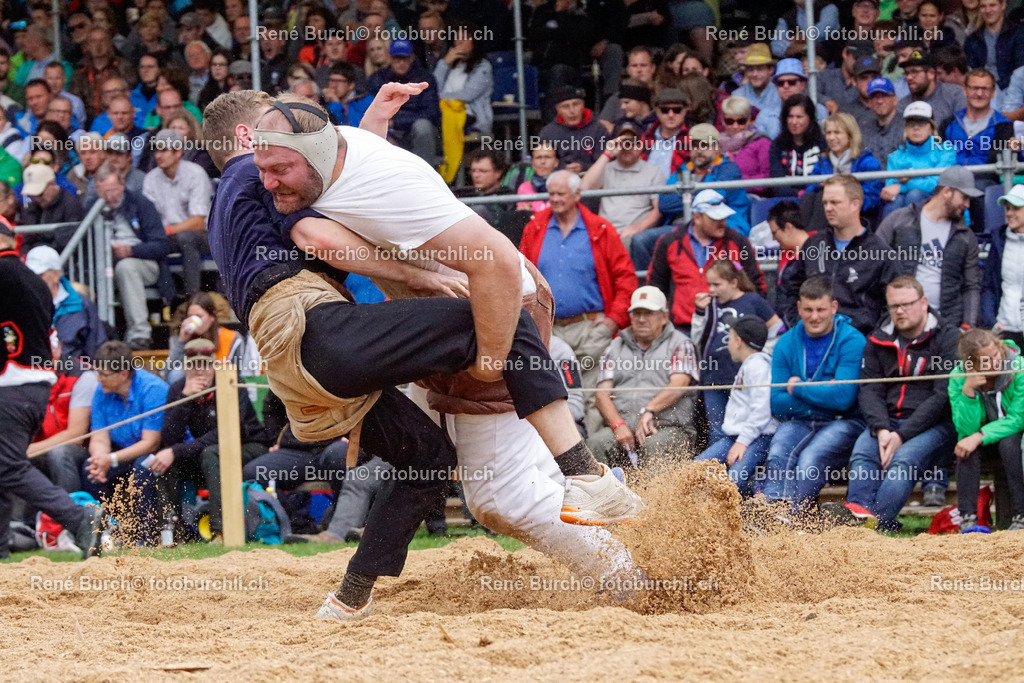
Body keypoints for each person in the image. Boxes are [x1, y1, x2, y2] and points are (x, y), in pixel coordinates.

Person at [204, 89, 642, 616]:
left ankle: (349, 598)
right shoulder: (258, 177)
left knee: (428, 458)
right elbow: (320, 232)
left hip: (293, 364)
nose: (274, 166)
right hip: (312, 330)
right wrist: (420, 276)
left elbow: (345, 170)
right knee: (481, 325)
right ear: (251, 138)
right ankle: (585, 472)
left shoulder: (248, 191)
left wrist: (374, 122)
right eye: (271, 142)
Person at [0, 221, 102, 560]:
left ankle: (79, 517)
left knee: (8, 466)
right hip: (33, 386)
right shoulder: (33, 280)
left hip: (11, 384)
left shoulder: (6, 274)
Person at [835, 276, 958, 531]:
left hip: (935, 425)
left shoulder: (948, 337)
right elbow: (869, 389)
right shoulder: (877, 339)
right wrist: (881, 429)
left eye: (906, 304)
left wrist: (901, 435)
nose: (899, 311)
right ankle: (856, 524)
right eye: (893, 306)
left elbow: (942, 396)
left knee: (902, 462)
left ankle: (877, 527)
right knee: (862, 456)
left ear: (924, 303)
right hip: (886, 422)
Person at [520, 169, 638, 432]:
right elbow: (522, 274)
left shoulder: (600, 229)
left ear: (577, 195)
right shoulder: (535, 226)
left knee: (592, 393)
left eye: (561, 194)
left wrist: (613, 321)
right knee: (547, 390)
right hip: (547, 326)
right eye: (551, 194)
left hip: (590, 328)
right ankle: (556, 457)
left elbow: (626, 278)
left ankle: (593, 458)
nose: (555, 199)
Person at [762, 276, 867, 515]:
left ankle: (792, 517)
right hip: (801, 420)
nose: (814, 316)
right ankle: (771, 517)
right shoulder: (785, 343)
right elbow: (777, 403)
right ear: (799, 308)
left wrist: (797, 388)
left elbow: (843, 397)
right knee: (778, 452)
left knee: (810, 459)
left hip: (845, 421)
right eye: (808, 309)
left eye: (821, 309)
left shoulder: (852, 340)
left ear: (834, 307)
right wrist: (824, 391)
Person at [152, 338, 269, 541]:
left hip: (250, 447)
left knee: (210, 452)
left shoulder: (230, 382)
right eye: (194, 365)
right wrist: (185, 400)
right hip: (208, 454)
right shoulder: (178, 389)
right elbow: (170, 439)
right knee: (164, 462)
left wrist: (176, 451)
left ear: (215, 363)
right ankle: (172, 531)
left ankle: (220, 531)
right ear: (186, 367)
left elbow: (227, 433)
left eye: (205, 364)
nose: (200, 371)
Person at [589, 285, 700, 468]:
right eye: (636, 313)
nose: (641, 319)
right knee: (596, 443)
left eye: (648, 313)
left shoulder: (680, 344)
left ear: (663, 317)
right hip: (622, 428)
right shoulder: (615, 346)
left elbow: (679, 384)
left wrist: (649, 410)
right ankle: (600, 496)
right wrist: (617, 425)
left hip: (669, 428)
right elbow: (602, 395)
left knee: (655, 447)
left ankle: (656, 497)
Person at [781, 174, 896, 335]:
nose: (828, 208)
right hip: (812, 342)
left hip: (859, 345)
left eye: (835, 202)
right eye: (825, 202)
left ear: (855, 204)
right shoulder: (813, 245)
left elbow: (892, 306)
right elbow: (791, 290)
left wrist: (871, 344)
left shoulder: (881, 253)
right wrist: (797, 326)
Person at [82, 341, 168, 543]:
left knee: (143, 467)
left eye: (103, 375)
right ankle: (112, 528)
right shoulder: (101, 392)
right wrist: (99, 459)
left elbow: (151, 443)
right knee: (90, 469)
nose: (99, 379)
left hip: (160, 452)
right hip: (122, 452)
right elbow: (99, 436)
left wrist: (110, 459)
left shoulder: (153, 389)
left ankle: (147, 537)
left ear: (122, 374)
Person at [646, 189, 765, 334]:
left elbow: (756, 284)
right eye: (715, 219)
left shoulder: (738, 242)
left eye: (724, 217)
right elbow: (655, 287)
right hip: (681, 328)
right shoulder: (669, 242)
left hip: (729, 327)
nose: (722, 222)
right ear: (697, 217)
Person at [876, 166, 982, 328]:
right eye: (964, 197)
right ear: (947, 191)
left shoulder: (966, 236)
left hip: (945, 326)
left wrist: (968, 326)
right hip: (899, 321)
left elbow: (971, 286)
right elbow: (874, 263)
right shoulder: (899, 220)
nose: (967, 204)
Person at [692, 259, 781, 442]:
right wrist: (699, 314)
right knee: (716, 431)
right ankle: (717, 470)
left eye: (717, 284)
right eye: (709, 285)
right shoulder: (710, 305)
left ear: (733, 282)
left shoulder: (753, 301)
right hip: (714, 377)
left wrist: (762, 354)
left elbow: (777, 329)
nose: (712, 290)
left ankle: (742, 465)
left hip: (742, 378)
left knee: (742, 427)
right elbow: (697, 339)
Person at [89, 162, 174, 350]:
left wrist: (131, 251)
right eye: (104, 192)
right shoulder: (92, 208)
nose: (109, 197)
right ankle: (98, 336)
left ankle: (140, 334)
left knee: (126, 266)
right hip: (105, 264)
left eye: (113, 190)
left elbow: (161, 245)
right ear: (97, 189)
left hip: (144, 262)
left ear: (121, 184)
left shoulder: (140, 203)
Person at [948, 328, 1024, 532]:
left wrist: (979, 436)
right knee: (965, 449)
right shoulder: (958, 377)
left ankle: (1021, 516)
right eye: (986, 361)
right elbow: (964, 428)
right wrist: (968, 391)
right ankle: (968, 519)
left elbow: (1017, 419)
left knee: (1010, 444)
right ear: (971, 365)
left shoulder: (1018, 367)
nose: (995, 362)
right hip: (979, 437)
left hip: (1010, 435)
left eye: (996, 355)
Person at [694, 315, 777, 497]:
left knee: (733, 482)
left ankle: (754, 505)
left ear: (738, 341)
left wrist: (742, 442)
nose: (728, 343)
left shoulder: (758, 367)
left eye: (729, 338)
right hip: (736, 436)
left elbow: (761, 411)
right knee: (694, 471)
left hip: (757, 437)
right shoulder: (750, 365)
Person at [141, 129, 213, 298]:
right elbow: (148, 221)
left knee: (186, 237)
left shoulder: (195, 173)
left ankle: (192, 297)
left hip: (202, 236)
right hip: (167, 235)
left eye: (164, 150)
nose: (159, 155)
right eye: (157, 150)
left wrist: (168, 230)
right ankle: (169, 299)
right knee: (152, 244)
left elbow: (197, 221)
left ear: (178, 152)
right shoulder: (151, 179)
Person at [580, 118, 665, 248]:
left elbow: (658, 209)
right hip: (604, 233)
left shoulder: (654, 171)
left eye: (633, 142)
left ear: (641, 144)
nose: (628, 147)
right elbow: (584, 188)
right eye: (623, 142)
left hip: (633, 235)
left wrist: (637, 228)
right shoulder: (605, 167)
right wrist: (608, 153)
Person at [25, 245, 107, 363]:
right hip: (34, 371)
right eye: (29, 275)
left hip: (73, 373)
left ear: (56, 275)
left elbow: (96, 348)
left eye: (39, 275)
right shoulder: (21, 305)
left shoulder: (82, 305)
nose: (33, 280)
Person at [802, 113, 883, 229]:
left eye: (837, 132)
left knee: (826, 197)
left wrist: (841, 194)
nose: (831, 137)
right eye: (829, 133)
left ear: (850, 135)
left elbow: (871, 198)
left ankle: (809, 240)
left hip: (858, 215)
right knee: (811, 196)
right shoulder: (822, 162)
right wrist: (819, 186)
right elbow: (808, 189)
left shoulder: (867, 162)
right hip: (827, 213)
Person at [367, 39, 441, 165]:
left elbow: (431, 113)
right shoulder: (378, 78)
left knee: (423, 126)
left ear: (411, 58)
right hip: (390, 132)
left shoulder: (425, 78)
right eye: (397, 59)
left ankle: (424, 172)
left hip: (417, 131)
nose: (401, 63)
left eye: (404, 58)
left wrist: (396, 122)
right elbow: (371, 109)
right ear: (390, 58)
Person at [881, 101, 958, 215]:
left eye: (921, 123)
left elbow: (939, 184)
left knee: (914, 194)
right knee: (895, 200)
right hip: (906, 203)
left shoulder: (946, 151)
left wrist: (902, 186)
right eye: (911, 123)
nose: (916, 128)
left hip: (941, 206)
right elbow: (889, 189)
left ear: (931, 128)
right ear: (906, 129)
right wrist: (900, 187)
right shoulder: (895, 157)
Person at [166, 291, 245, 386]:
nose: (194, 320)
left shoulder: (232, 338)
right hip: (191, 386)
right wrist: (181, 342)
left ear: (212, 316)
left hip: (221, 385)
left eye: (199, 316)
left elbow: (239, 373)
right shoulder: (184, 336)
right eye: (190, 316)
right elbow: (167, 372)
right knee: (176, 374)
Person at [982, 184, 1024, 348]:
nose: (1009, 213)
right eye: (1007, 208)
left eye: (1016, 208)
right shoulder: (998, 241)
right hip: (1005, 329)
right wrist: (992, 321)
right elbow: (988, 286)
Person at [433, 23, 492, 136]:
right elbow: (433, 87)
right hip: (443, 111)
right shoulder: (449, 64)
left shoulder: (483, 67)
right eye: (457, 37)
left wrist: (438, 98)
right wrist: (444, 63)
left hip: (469, 114)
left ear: (474, 41)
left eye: (464, 38)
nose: (459, 42)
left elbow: (467, 95)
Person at [537, 85, 609, 174]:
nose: (572, 111)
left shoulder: (598, 129)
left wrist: (583, 167)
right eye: (565, 106)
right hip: (558, 179)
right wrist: (563, 167)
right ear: (558, 109)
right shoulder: (548, 133)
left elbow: (606, 162)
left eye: (576, 104)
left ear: (583, 105)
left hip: (593, 178)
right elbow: (542, 164)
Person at [769, 94, 825, 198]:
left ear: (810, 118)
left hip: (818, 200)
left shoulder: (822, 142)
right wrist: (800, 194)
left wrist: (808, 195)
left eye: (799, 117)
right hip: (787, 201)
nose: (794, 122)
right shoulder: (777, 145)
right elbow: (777, 184)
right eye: (790, 117)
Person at [895, 49, 966, 129]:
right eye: (906, 73)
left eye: (914, 72)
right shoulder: (904, 104)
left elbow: (963, 129)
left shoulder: (954, 95)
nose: (909, 77)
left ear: (931, 74)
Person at [963, 0, 1024, 92]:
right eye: (983, 6)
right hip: (981, 91)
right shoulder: (973, 39)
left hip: (1012, 91)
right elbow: (971, 71)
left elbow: (1020, 70)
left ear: (1003, 5)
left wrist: (995, 88)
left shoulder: (1018, 34)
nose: (988, 10)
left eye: (992, 5)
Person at [719, 96, 771, 194]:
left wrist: (736, 181)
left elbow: (767, 178)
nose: (735, 126)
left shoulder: (762, 142)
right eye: (729, 121)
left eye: (741, 121)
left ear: (749, 121)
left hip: (751, 197)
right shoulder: (716, 144)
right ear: (723, 121)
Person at [638, 87, 689, 178]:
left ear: (685, 111)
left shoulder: (692, 140)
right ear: (657, 111)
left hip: (677, 190)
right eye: (664, 110)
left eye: (677, 110)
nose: (671, 115)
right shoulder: (644, 138)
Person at [732, 44, 780, 140]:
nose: (754, 74)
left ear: (770, 70)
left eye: (760, 69)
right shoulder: (737, 95)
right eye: (750, 69)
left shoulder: (780, 93)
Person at [862, 77, 905, 168]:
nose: (880, 101)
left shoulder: (908, 126)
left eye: (884, 95)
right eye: (875, 97)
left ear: (895, 100)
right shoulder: (863, 130)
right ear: (869, 102)